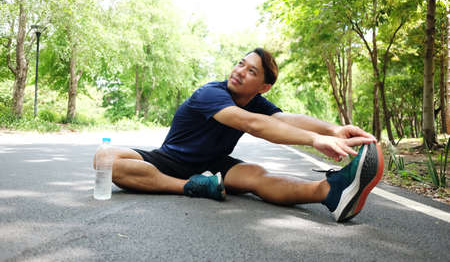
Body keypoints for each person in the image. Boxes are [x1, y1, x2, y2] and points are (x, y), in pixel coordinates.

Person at [94, 48, 384, 222]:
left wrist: (332, 129)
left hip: (215, 165)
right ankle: (191, 186)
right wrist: (313, 141)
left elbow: (284, 119)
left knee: (257, 175)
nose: (240, 71)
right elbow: (253, 125)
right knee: (104, 158)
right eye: (240, 63)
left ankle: (330, 193)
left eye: (251, 71)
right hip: (168, 161)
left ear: (264, 87)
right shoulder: (210, 93)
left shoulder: (256, 102)